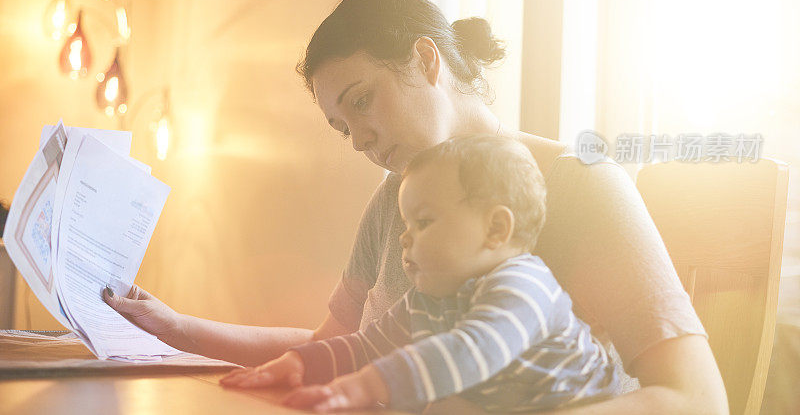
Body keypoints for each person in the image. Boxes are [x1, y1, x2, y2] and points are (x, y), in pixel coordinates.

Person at [104, 0, 728, 414]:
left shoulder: (578, 185)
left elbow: (697, 401)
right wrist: (178, 330)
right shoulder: (395, 202)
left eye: (361, 101)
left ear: (425, 61)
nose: (359, 138)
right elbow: (333, 347)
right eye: (343, 127)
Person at [222, 134, 622, 413]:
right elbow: (368, 348)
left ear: (496, 229)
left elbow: (470, 351)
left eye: (424, 222)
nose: (404, 239)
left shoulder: (524, 286)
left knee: (446, 402)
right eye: (405, 225)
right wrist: (301, 363)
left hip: (575, 405)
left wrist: (364, 386)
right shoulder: (431, 296)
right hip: (504, 399)